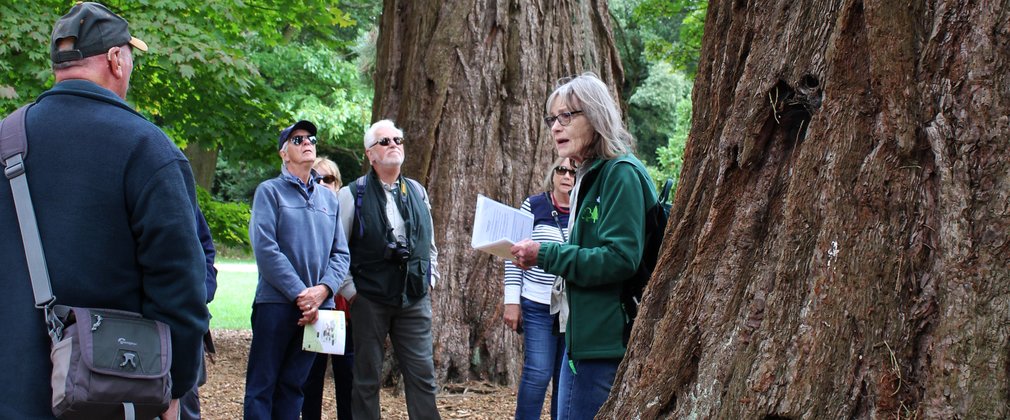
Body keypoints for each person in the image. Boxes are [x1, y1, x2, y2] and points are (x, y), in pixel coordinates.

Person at [0, 2, 209, 418]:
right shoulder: (148, 149)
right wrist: (176, 387)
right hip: (110, 397)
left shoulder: (6, 141)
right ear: (116, 59)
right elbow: (180, 287)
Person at [511, 73, 657, 419]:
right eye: (552, 119)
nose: (556, 127)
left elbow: (620, 258)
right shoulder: (591, 175)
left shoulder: (620, 173)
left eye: (566, 116)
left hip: (604, 340)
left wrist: (544, 254)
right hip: (583, 338)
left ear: (595, 115)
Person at [244, 121, 351, 420]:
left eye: (311, 139)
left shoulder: (329, 199)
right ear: (284, 153)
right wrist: (301, 294)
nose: (307, 143)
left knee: (294, 387)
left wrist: (323, 291)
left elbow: (341, 254)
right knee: (262, 386)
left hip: (319, 311)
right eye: (297, 139)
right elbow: (266, 250)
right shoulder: (269, 192)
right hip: (276, 305)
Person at [336, 119, 441, 420]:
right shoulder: (351, 194)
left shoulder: (417, 191)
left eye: (398, 139)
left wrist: (430, 277)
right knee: (367, 378)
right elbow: (339, 249)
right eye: (385, 141)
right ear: (370, 154)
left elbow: (428, 243)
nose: (394, 144)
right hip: (369, 298)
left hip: (414, 297)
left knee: (423, 376)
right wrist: (352, 292)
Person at [504, 157, 574, 420]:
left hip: (572, 307)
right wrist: (512, 301)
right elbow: (514, 254)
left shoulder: (587, 208)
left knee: (565, 376)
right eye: (562, 169)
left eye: (573, 171)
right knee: (538, 371)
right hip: (537, 303)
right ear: (552, 173)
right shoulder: (534, 205)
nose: (567, 175)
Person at [301, 156, 355, 420]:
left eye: (329, 179)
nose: (322, 183)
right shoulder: (306, 215)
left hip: (348, 309)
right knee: (311, 379)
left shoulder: (351, 213)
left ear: (338, 184)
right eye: (317, 178)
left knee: (349, 378)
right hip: (318, 307)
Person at [180, 208, 219, 420]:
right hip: (134, 322)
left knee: (185, 399)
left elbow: (205, 250)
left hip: (184, 315)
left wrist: (202, 292)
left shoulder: (183, 190)